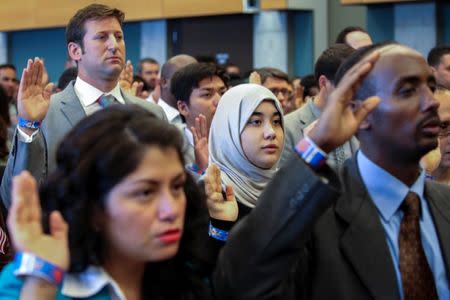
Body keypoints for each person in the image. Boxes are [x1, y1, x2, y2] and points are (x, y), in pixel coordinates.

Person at [213, 43, 450, 299]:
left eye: (432, 87)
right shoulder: (315, 217)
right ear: (358, 110)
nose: (432, 102)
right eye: (408, 91)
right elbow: (240, 282)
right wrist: (315, 146)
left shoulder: (444, 204)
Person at [0, 105, 221, 299]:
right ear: (93, 207)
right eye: (145, 193)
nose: (171, 210)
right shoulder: (30, 281)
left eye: (176, 187)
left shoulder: (185, 273)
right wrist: (40, 288)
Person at [0, 4, 166, 209]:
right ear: (75, 50)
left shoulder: (152, 113)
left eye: (119, 36)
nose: (114, 45)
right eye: (102, 37)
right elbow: (14, 199)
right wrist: (28, 126)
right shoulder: (45, 114)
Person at [207, 83, 284, 219]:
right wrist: (221, 226)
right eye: (256, 122)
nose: (271, 133)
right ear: (229, 130)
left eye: (276, 121)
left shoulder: (289, 188)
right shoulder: (210, 195)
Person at [280, 44, 356, 169]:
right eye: (347, 84)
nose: (355, 90)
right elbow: (287, 182)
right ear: (323, 82)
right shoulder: (288, 127)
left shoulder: (359, 120)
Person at [171, 62, 227, 171]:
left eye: (223, 93)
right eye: (207, 94)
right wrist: (200, 169)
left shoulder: (238, 142)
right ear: (183, 107)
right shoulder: (171, 149)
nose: (219, 101)